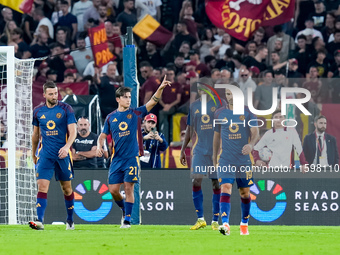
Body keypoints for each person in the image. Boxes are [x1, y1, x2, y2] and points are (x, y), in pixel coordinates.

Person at [96, 76, 171, 228]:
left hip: (131, 158)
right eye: (125, 97)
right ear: (118, 99)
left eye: (130, 97)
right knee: (113, 190)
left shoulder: (136, 113)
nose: (128, 100)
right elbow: (102, 135)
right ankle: (125, 209)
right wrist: (100, 146)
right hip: (116, 159)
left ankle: (127, 220)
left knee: (128, 188)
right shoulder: (111, 117)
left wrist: (161, 88)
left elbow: (152, 102)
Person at [212, 83, 259, 236]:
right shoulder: (219, 113)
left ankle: (244, 223)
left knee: (245, 193)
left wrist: (251, 145)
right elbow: (217, 136)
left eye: (232, 93)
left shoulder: (247, 112)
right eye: (227, 93)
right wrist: (214, 157)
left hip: (243, 159)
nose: (230, 96)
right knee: (226, 187)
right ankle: (225, 224)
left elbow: (255, 132)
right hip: (226, 158)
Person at [29, 81, 77, 230]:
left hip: (62, 155)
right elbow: (35, 135)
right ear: (44, 95)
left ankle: (70, 220)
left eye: (55, 93)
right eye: (51, 94)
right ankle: (39, 221)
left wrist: (67, 147)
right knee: (42, 186)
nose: (54, 96)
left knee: (67, 189)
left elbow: (73, 132)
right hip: (46, 155)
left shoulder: (66, 109)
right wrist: (33, 153)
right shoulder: (37, 111)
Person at [180, 83, 226, 231]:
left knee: (216, 184)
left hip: (216, 151)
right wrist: (182, 150)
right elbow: (189, 128)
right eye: (199, 89)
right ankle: (200, 219)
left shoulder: (220, 103)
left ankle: (215, 220)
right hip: (199, 150)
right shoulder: (194, 106)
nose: (202, 91)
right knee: (196, 179)